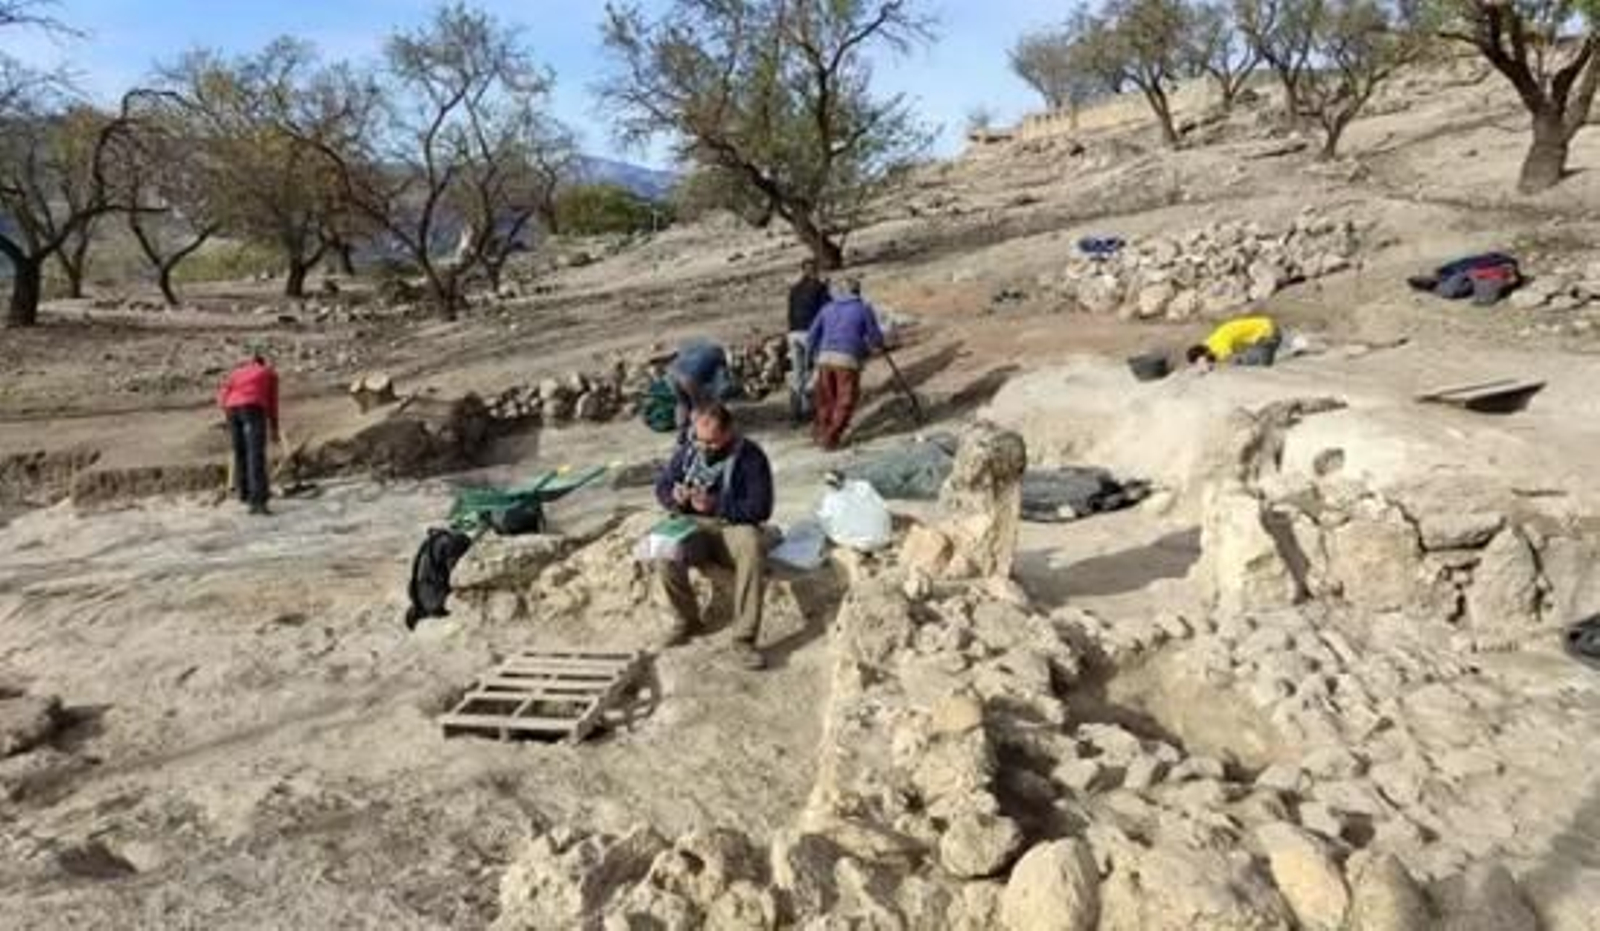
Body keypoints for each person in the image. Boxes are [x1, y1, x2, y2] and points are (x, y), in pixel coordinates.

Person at [652, 403, 775, 670]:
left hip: (730, 527)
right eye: (700, 440)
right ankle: (687, 621)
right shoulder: (689, 450)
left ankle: (743, 639)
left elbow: (761, 508)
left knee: (751, 547)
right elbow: (662, 485)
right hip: (693, 525)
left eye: (712, 442)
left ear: (728, 432)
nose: (704, 447)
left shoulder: (750, 456)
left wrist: (716, 505)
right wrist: (673, 498)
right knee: (665, 547)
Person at [807, 277, 885, 450]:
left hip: (825, 358)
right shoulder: (863, 309)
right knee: (845, 399)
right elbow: (874, 336)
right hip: (847, 359)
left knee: (826, 398)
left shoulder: (827, 308)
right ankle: (830, 437)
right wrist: (879, 344)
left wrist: (812, 356)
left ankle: (821, 431)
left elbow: (812, 335)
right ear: (858, 292)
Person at [217, 352, 281, 515]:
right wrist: (274, 428)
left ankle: (244, 494)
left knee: (241, 452)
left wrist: (227, 414)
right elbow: (273, 403)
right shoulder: (269, 373)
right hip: (252, 408)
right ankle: (258, 502)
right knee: (255, 454)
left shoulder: (237, 372)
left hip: (232, 409)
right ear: (263, 362)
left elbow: (223, 394)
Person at [786, 259, 830, 424]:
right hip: (809, 332)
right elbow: (828, 309)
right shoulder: (819, 287)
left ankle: (798, 411)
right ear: (814, 271)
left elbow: (790, 312)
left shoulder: (794, 289)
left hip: (793, 333)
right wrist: (826, 288)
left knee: (798, 372)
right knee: (817, 368)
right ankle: (811, 404)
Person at [666, 340, 732, 437]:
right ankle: (699, 432)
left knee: (682, 404)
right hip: (689, 379)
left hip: (671, 375)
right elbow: (722, 380)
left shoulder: (694, 350)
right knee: (700, 407)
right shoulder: (718, 357)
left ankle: (681, 433)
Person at [1187, 315, 1282, 370]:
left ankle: (1292, 345)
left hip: (1268, 332)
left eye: (1200, 360)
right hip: (1264, 332)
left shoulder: (1219, 343)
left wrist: (1208, 367)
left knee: (1259, 368)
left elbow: (1230, 361)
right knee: (1248, 359)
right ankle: (1290, 344)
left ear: (1204, 354)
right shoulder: (1209, 343)